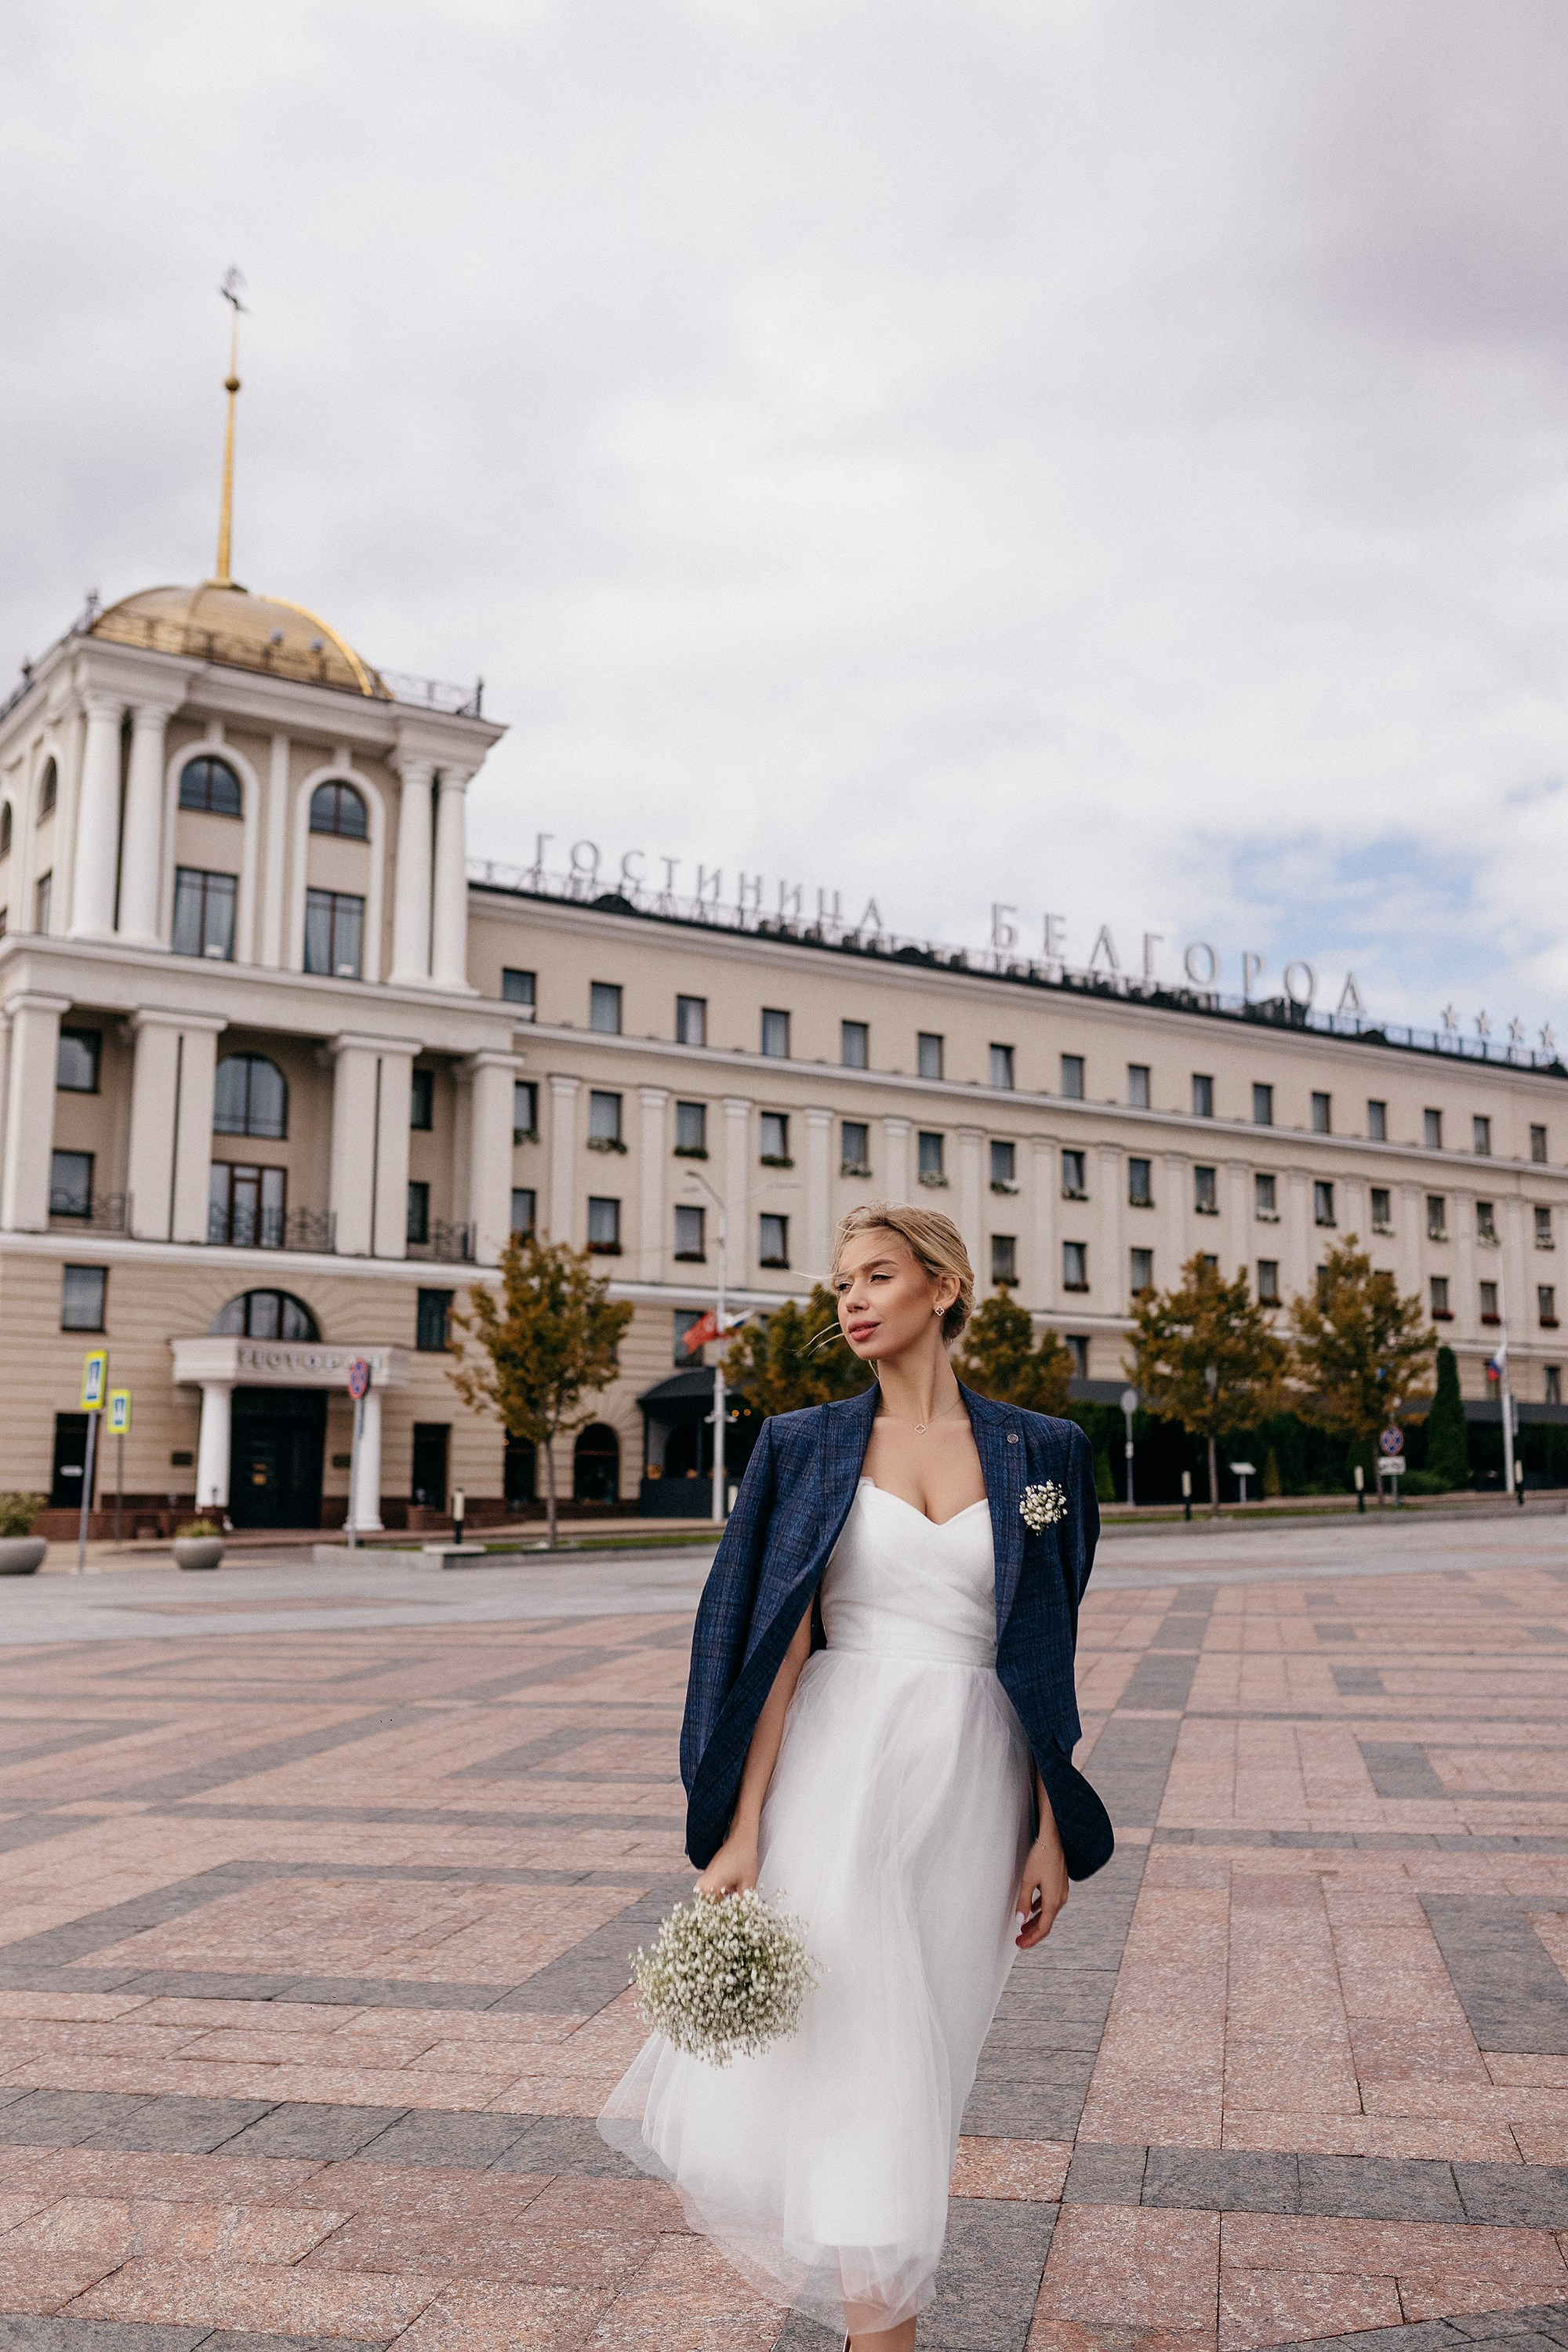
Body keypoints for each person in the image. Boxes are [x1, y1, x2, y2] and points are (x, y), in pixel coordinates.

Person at [600, 1203, 1111, 2347]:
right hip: (839, 1772)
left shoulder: (1047, 1455)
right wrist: (738, 1831)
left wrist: (1046, 1831)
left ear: (944, 1287)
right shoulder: (804, 1444)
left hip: (976, 1792)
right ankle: (884, 2332)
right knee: (865, 2063)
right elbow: (769, 1643)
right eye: (841, 1287)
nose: (854, 1302)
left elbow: (1048, 1651)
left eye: (878, 1277)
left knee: (928, 2060)